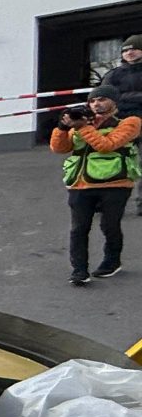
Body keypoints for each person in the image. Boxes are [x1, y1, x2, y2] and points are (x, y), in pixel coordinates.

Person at [49, 86, 139, 286]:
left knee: (110, 225)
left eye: (102, 99)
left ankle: (112, 261)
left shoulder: (130, 123)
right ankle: (79, 270)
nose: (96, 104)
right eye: (92, 101)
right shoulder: (82, 123)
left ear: (114, 102)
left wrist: (83, 127)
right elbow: (59, 148)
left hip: (116, 183)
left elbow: (106, 146)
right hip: (81, 184)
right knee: (78, 229)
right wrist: (62, 128)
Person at [97, 35, 142, 213]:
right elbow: (105, 98)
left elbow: (117, 97)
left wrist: (124, 98)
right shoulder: (113, 74)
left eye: (134, 49)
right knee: (113, 163)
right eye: (125, 50)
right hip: (121, 125)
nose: (129, 52)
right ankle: (105, 203)